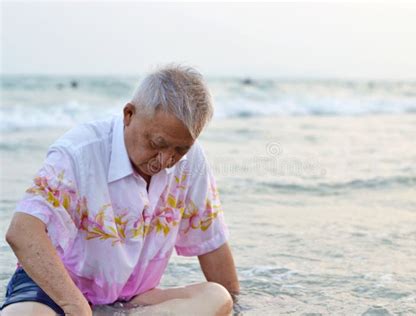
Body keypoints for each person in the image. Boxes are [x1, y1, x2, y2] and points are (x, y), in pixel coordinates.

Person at [1, 65, 240, 315]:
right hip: (55, 293)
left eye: (180, 150)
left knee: (218, 297)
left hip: (133, 301)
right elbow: (22, 232)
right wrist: (78, 308)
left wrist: (239, 309)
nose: (166, 160)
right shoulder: (78, 152)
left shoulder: (191, 161)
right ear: (129, 114)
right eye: (158, 144)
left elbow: (211, 244)